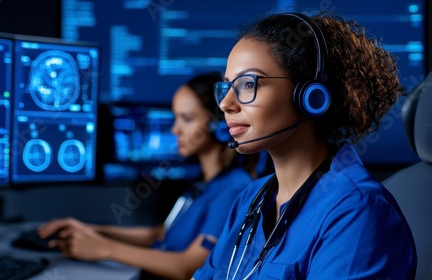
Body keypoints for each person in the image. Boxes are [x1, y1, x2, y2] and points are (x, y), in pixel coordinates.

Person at [192, 12, 417, 280]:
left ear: (310, 96)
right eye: (227, 87)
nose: (226, 104)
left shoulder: (358, 211)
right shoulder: (250, 199)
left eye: (248, 84)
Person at [38, 72, 259, 280]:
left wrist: (103, 249)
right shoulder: (206, 183)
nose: (175, 130)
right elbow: (161, 235)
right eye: (175, 118)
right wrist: (91, 231)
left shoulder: (234, 188)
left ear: (218, 125)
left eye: (187, 119)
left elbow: (188, 266)